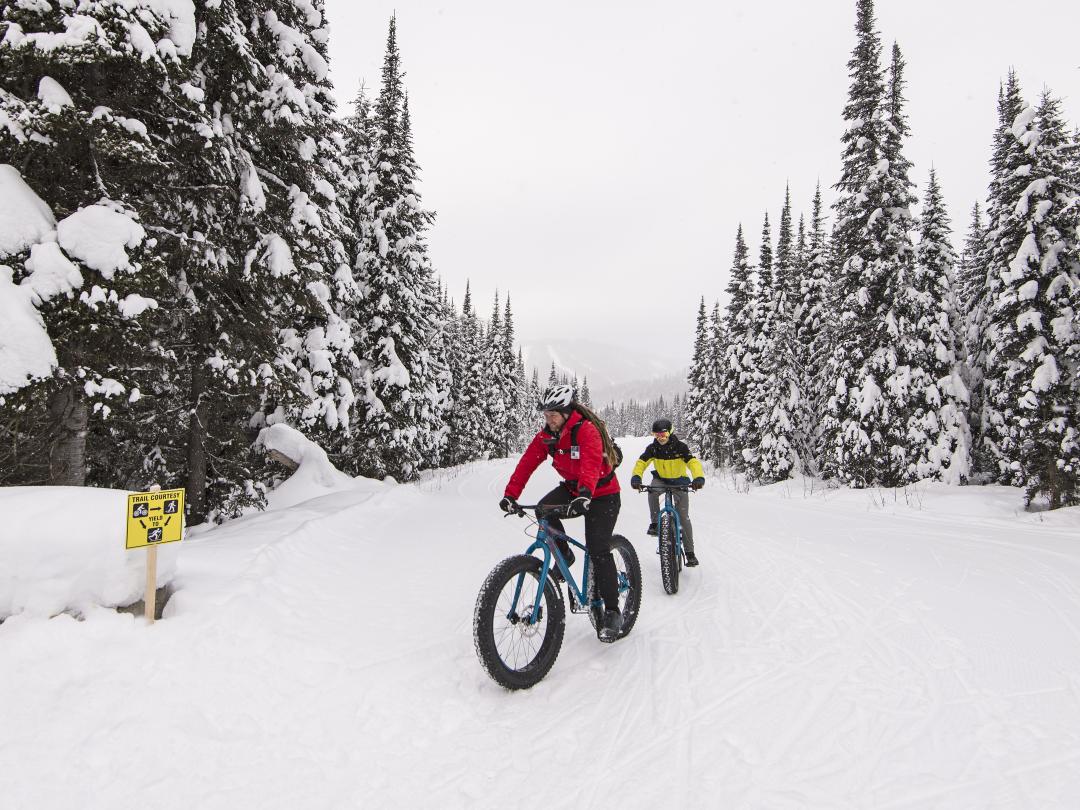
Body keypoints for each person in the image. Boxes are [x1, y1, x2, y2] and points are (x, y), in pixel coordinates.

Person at [499, 384, 625, 642]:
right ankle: (565, 556)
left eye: (553, 414)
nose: (549, 419)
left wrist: (585, 494)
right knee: (544, 511)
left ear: (567, 412)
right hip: (573, 490)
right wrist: (511, 495)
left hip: (602, 494)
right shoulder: (547, 437)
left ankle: (612, 611)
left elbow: (590, 464)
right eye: (546, 415)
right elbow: (526, 464)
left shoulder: (586, 431)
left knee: (598, 549)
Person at [629, 418, 705, 566]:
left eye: (663, 435)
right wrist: (636, 477)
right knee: (652, 491)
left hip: (679, 481)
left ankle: (690, 553)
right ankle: (655, 523)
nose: (660, 439)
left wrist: (698, 477)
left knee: (683, 517)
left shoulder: (680, 447)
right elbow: (641, 462)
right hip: (661, 480)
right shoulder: (653, 448)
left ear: (670, 432)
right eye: (657, 435)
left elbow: (692, 462)